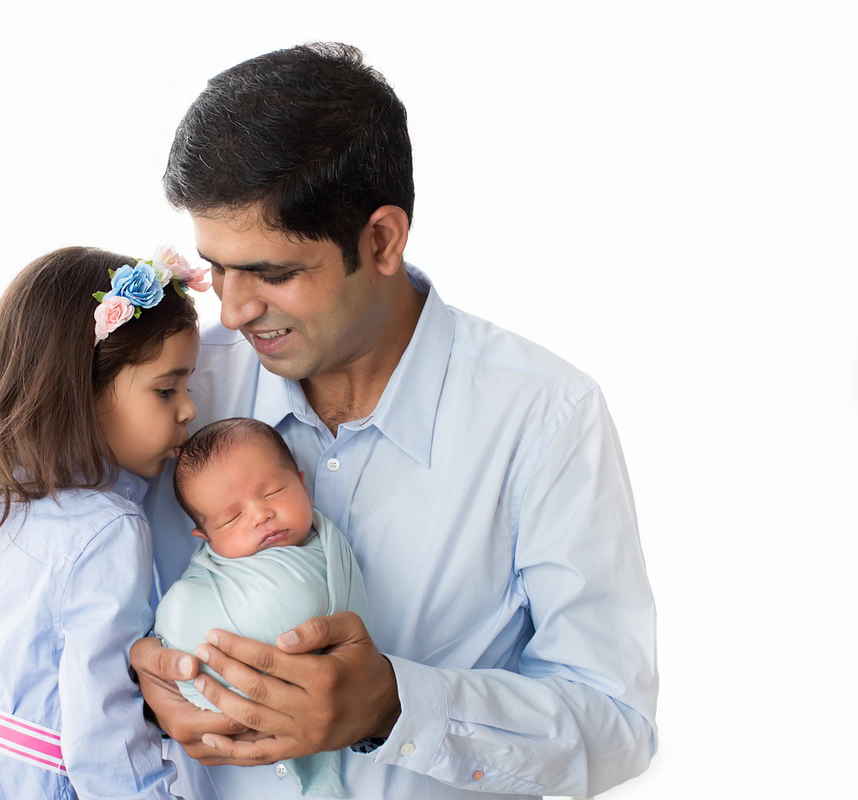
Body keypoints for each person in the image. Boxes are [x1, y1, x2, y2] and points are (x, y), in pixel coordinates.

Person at [130, 43, 659, 799]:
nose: (235, 308)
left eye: (273, 273)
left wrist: (395, 706)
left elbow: (615, 722)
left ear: (381, 239)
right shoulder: (180, 390)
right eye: (217, 268)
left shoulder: (545, 418)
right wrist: (139, 678)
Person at [0, 246, 214, 800]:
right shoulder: (107, 530)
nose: (189, 410)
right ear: (80, 389)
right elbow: (104, 733)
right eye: (166, 389)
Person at [154, 418, 371, 797]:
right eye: (232, 517)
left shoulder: (325, 548)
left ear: (303, 485)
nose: (259, 515)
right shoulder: (207, 577)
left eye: (273, 492)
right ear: (205, 538)